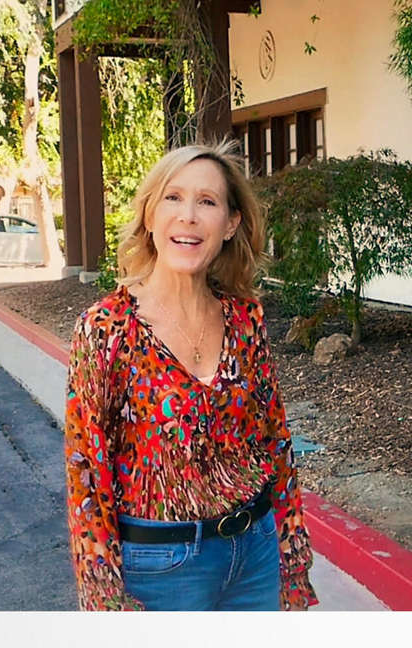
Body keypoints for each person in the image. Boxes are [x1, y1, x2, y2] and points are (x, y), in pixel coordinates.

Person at [63, 140, 317, 611]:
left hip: (256, 553)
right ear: (149, 215)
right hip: (162, 569)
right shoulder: (106, 329)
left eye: (207, 202)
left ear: (230, 224)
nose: (189, 217)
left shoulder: (245, 319)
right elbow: (87, 471)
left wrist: (290, 552)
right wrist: (104, 598)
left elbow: (276, 440)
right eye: (173, 198)